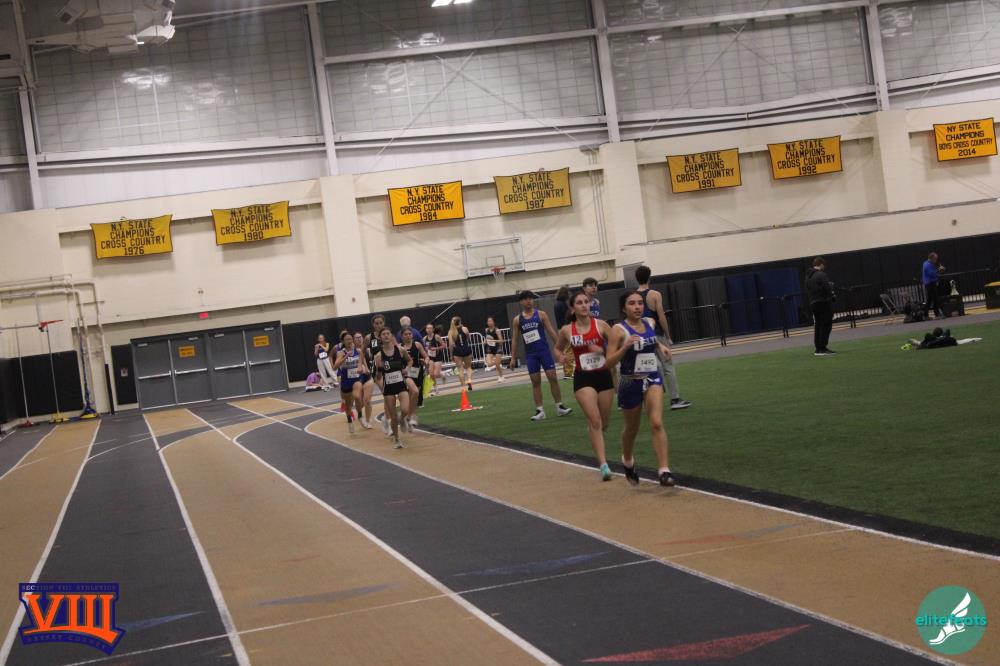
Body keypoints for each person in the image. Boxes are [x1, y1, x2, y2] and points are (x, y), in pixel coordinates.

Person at [606, 291, 675, 487]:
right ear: (624, 308)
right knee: (632, 428)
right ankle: (627, 460)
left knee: (656, 422)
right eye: (632, 303)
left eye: (640, 303)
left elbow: (651, 340)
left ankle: (664, 470)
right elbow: (609, 362)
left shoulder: (649, 322)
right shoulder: (618, 330)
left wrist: (660, 346)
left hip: (652, 377)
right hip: (630, 382)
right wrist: (625, 347)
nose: (637, 307)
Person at [554, 291, 615, 481]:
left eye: (586, 302)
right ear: (573, 308)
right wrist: (560, 357)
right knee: (594, 419)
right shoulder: (567, 330)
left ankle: (595, 435)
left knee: (603, 423)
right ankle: (603, 465)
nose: (583, 305)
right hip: (583, 378)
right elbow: (557, 348)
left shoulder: (601, 325)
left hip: (603, 376)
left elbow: (617, 345)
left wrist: (603, 349)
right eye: (579, 303)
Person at [509, 290, 573, 421]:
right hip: (531, 355)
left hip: (544, 352)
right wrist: (513, 358)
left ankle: (560, 407)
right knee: (535, 381)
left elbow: (551, 332)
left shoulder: (541, 314)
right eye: (526, 299)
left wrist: (560, 349)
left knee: (552, 377)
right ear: (521, 302)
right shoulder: (517, 320)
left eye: (530, 298)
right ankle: (540, 410)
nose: (529, 301)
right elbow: (515, 340)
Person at [635, 265, 691, 410]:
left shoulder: (632, 297)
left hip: (641, 336)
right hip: (657, 334)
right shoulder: (654, 295)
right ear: (649, 278)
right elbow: (661, 317)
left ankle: (653, 397)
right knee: (668, 366)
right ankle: (675, 399)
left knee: (648, 366)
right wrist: (668, 335)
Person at [372, 327, 413, 449]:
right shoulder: (379, 356)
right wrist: (379, 369)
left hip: (401, 384)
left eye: (388, 333)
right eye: (383, 334)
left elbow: (410, 361)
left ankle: (402, 419)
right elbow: (378, 376)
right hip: (389, 387)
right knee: (393, 416)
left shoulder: (400, 350)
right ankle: (396, 439)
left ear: (391, 336)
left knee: (405, 409)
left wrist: (407, 369)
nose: (386, 335)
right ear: (380, 338)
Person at [332, 331, 369, 434]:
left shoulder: (358, 350)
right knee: (348, 405)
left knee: (357, 396)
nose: (349, 341)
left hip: (356, 378)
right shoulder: (341, 352)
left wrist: (365, 368)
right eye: (347, 339)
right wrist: (345, 357)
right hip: (346, 381)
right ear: (343, 342)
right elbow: (334, 367)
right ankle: (349, 421)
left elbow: (362, 359)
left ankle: (360, 417)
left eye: (350, 339)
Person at [365, 315, 392, 434]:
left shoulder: (388, 335)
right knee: (386, 393)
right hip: (377, 370)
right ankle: (386, 421)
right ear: (373, 325)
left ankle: (386, 419)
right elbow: (362, 352)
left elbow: (396, 348)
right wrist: (362, 365)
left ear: (384, 323)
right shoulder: (369, 337)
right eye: (376, 323)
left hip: (389, 368)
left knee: (389, 396)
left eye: (381, 323)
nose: (379, 325)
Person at [805, 257, 836, 356]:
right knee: (826, 325)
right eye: (824, 265)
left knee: (818, 325)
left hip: (813, 303)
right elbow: (827, 288)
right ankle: (823, 348)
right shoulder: (821, 275)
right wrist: (832, 294)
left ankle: (818, 348)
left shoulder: (808, 277)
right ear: (821, 264)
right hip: (823, 302)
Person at [400, 327, 428, 425]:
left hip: (417, 372)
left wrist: (425, 362)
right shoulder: (400, 347)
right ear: (402, 336)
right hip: (406, 373)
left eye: (409, 334)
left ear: (412, 335)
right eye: (406, 334)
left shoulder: (417, 345)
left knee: (414, 395)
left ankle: (408, 415)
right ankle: (411, 416)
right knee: (415, 391)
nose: (408, 336)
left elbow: (426, 356)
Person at [353, 332, 374, 428]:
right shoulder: (352, 351)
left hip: (368, 377)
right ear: (353, 340)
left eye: (360, 337)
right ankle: (360, 415)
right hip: (357, 379)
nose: (358, 339)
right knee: (360, 403)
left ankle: (368, 421)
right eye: (356, 338)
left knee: (367, 400)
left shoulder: (368, 350)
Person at [449, 316, 474, 392]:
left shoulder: (451, 331)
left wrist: (451, 355)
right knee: (468, 367)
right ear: (460, 322)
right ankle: (469, 380)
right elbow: (468, 338)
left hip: (457, 351)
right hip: (466, 349)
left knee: (460, 369)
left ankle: (463, 387)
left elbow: (451, 344)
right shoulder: (465, 328)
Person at [553, 286, 574, 379]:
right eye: (568, 293)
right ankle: (569, 372)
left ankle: (567, 371)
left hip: (560, 328)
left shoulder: (557, 304)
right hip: (565, 328)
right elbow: (568, 317)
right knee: (569, 350)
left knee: (565, 350)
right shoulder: (563, 304)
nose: (569, 295)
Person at [423, 323, 445, 395]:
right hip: (430, 358)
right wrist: (426, 349)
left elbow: (444, 345)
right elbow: (423, 348)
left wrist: (435, 348)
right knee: (431, 374)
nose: (429, 330)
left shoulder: (436, 336)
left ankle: (441, 375)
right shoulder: (424, 338)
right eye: (427, 328)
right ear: (426, 330)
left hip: (438, 357)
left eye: (430, 328)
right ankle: (436, 389)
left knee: (436, 374)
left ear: (433, 329)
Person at [923, 252, 945, 319]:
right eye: (935, 259)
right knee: (935, 299)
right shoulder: (927, 265)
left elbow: (933, 273)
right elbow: (931, 274)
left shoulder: (928, 263)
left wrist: (938, 270)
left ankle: (925, 315)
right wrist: (939, 270)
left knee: (929, 300)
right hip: (930, 283)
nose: (936, 260)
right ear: (932, 258)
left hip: (930, 283)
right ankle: (937, 314)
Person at [483, 316, 505, 383]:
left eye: (490, 321)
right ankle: (498, 364)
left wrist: (493, 340)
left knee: (497, 365)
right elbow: (487, 337)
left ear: (494, 322)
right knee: (489, 364)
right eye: (488, 321)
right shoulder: (486, 330)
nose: (489, 322)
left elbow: (501, 341)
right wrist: (485, 341)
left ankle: (501, 376)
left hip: (497, 347)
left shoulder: (497, 330)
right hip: (490, 348)